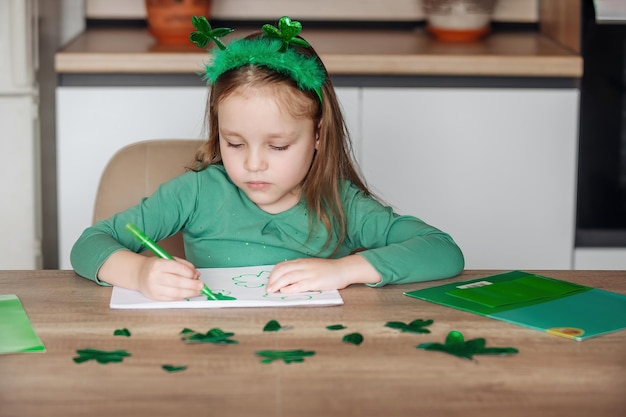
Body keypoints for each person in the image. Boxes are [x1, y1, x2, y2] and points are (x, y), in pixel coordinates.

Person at [70, 16, 464, 301]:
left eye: (277, 146)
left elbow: (442, 250)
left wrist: (343, 271)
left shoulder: (340, 202)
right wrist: (140, 273)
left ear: (318, 136)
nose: (253, 164)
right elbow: (89, 245)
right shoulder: (194, 193)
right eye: (235, 143)